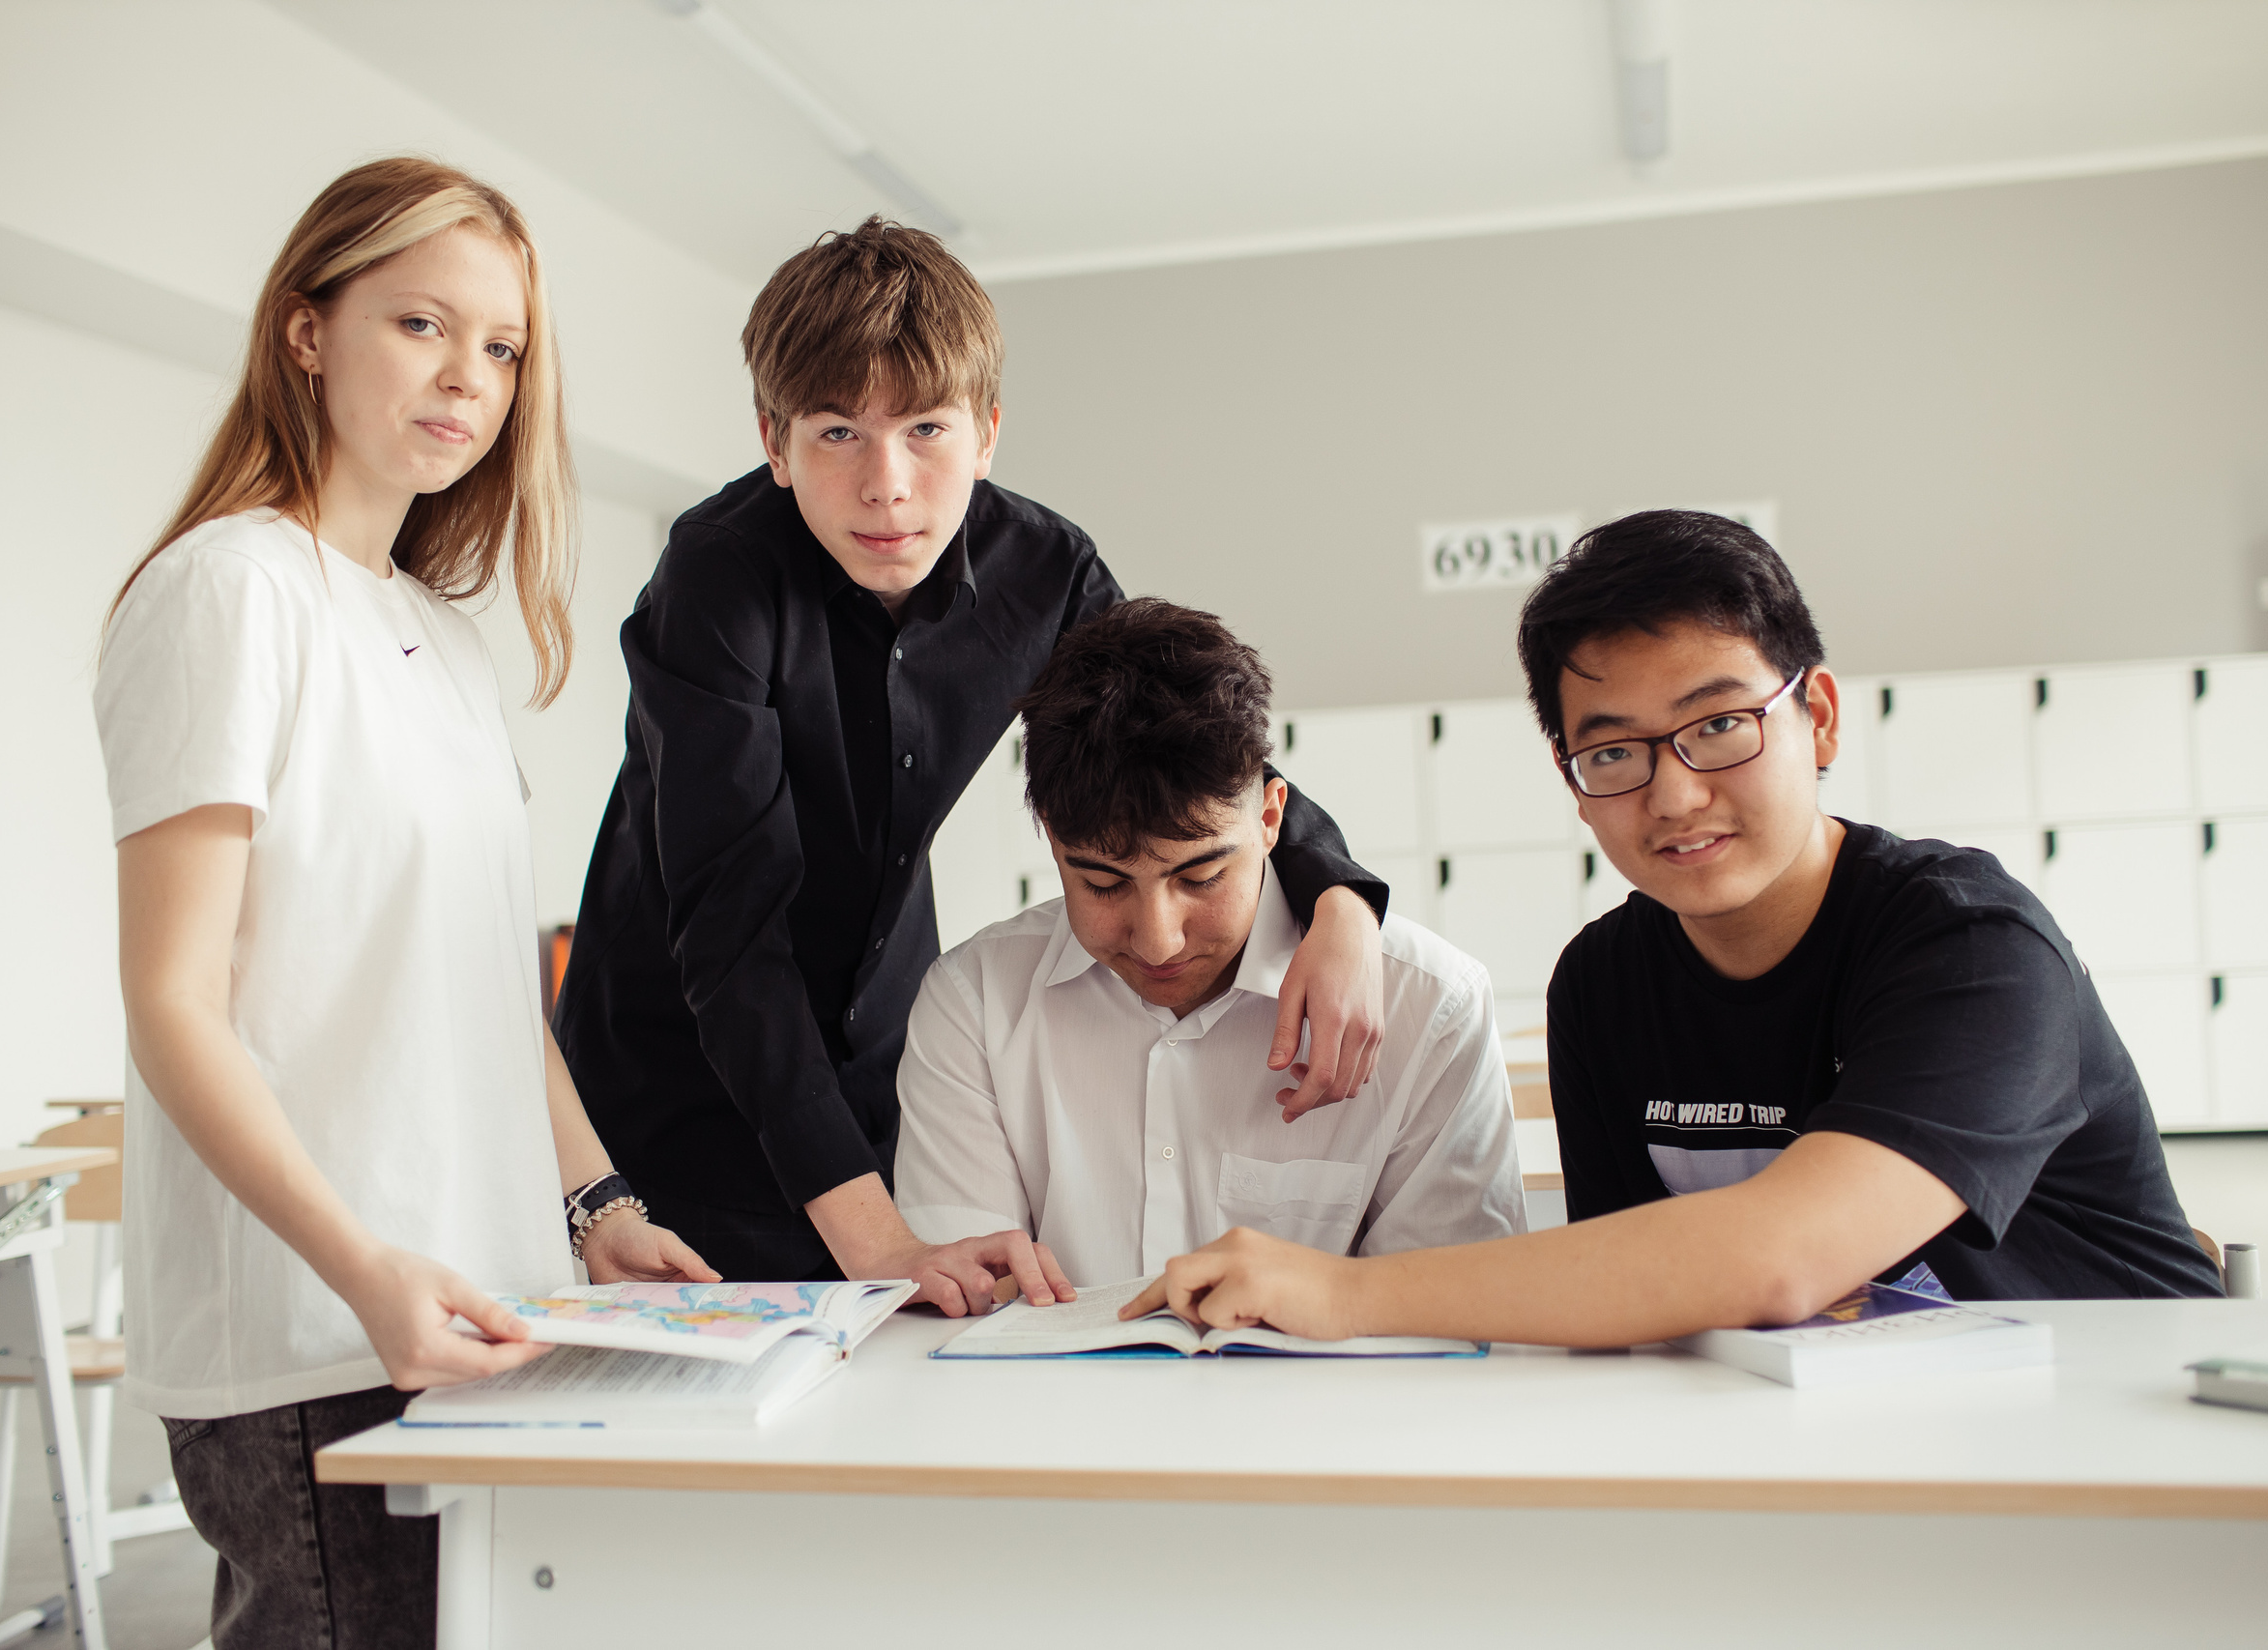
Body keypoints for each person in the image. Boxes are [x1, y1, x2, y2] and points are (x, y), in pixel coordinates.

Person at [97, 159, 713, 1649]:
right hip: (321, 1330)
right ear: (307, 329)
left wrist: (601, 1203)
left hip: (483, 1309)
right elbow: (173, 1002)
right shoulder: (228, 591)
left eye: (501, 348)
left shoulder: (437, 632)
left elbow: (494, 991)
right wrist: (366, 1267)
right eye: (423, 324)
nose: (468, 377)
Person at [552, 218, 1391, 1314]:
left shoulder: (1043, 567)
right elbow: (732, 927)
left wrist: (1337, 901)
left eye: (927, 430)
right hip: (678, 1072)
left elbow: (1190, 747)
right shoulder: (717, 578)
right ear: (774, 438)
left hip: (883, 1059)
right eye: (838, 432)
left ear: (988, 431)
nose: (886, 486)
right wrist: (876, 1240)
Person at [1125, 510, 2222, 1344]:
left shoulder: (1970, 944)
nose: (1674, 793)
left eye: (1719, 726)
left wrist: (1342, 1290)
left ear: (1819, 717)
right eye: (1614, 752)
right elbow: (1641, 1301)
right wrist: (1714, 1277)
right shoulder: (1602, 983)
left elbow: (1778, 1260)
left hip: (2117, 1442)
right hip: (1837, 1443)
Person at [893, 601, 1527, 1288]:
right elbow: (959, 1317)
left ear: (1270, 815)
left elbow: (1453, 1311)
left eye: (1200, 875)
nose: (1159, 939)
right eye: (1104, 883)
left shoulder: (1431, 1005)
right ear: (1050, 837)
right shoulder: (973, 1004)